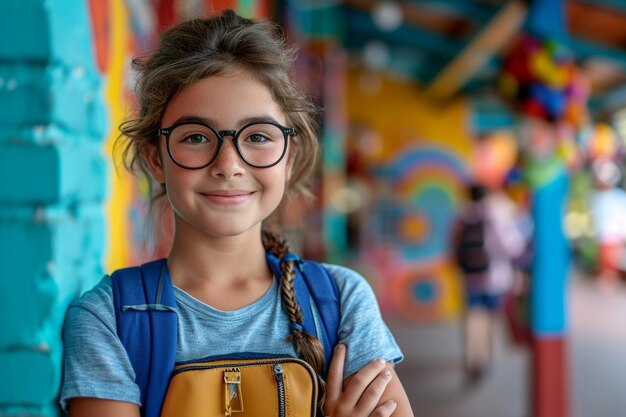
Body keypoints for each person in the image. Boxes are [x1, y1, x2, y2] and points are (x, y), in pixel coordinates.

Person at [60, 9, 413, 417]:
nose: (229, 164)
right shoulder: (110, 321)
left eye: (258, 136)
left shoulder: (340, 301)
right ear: (154, 157)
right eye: (195, 137)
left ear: (289, 154)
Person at [452, 183, 528, 383]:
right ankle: (486, 357)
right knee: (491, 318)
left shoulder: (462, 215)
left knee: (473, 317)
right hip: (495, 278)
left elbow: (452, 247)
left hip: (470, 276)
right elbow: (511, 247)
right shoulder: (496, 215)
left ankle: (472, 358)